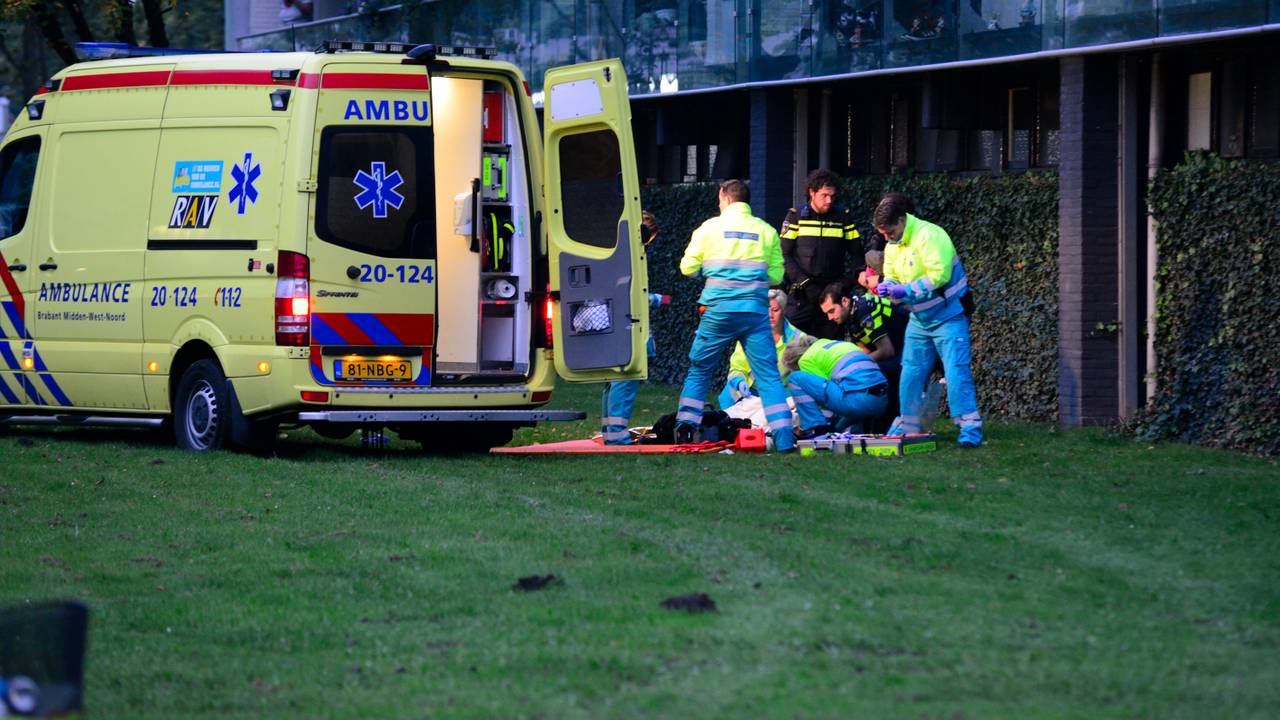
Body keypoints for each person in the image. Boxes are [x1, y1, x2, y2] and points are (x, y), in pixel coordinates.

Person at [674, 180, 795, 451]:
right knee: (768, 377)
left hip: (718, 311)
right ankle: (785, 439)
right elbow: (776, 276)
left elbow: (686, 267)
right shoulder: (766, 231)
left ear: (724, 197)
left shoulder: (709, 228)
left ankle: (684, 432)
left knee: (700, 370)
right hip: (753, 312)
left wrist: (712, 273)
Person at [873, 192, 983, 447]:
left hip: (949, 317)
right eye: (884, 234)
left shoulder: (930, 235)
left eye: (889, 231)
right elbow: (891, 273)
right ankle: (910, 430)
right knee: (910, 374)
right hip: (920, 320)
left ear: (901, 220)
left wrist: (905, 291)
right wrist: (888, 286)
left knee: (956, 374)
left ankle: (970, 431)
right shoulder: (893, 245)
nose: (887, 238)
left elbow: (940, 275)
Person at [601, 211, 670, 444]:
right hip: (629, 329)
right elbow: (631, 294)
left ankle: (610, 432)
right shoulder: (630, 258)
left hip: (615, 327)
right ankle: (617, 438)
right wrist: (657, 299)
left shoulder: (613, 252)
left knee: (613, 381)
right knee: (626, 380)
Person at [780, 169, 860, 339]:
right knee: (792, 346)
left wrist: (843, 285)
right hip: (802, 296)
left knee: (832, 348)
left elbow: (858, 255)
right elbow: (784, 255)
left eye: (832, 196)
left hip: (832, 295)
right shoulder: (796, 217)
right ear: (812, 192)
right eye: (824, 195)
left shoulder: (843, 218)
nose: (829, 200)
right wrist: (804, 283)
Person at [818, 283, 907, 432]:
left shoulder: (864, 311)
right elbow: (863, 350)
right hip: (896, 349)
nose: (830, 317)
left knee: (879, 374)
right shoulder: (850, 314)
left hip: (905, 348)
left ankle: (885, 426)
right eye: (827, 313)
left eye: (832, 311)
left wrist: (857, 366)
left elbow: (887, 351)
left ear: (845, 301)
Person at [782, 334, 888, 435]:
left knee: (794, 378)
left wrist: (810, 426)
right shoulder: (841, 345)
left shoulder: (805, 360)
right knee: (838, 428)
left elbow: (822, 397)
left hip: (857, 401)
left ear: (796, 362)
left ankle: (816, 429)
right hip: (882, 400)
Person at [717, 288, 802, 408]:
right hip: (746, 392)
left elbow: (803, 376)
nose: (770, 315)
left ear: (784, 310)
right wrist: (739, 382)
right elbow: (737, 367)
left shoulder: (798, 338)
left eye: (775, 310)